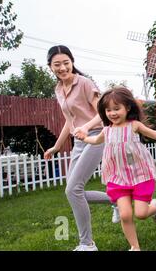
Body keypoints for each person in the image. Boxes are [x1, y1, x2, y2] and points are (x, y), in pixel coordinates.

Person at [81, 86, 156, 251]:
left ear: (127, 107)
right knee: (125, 215)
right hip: (118, 177)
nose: (112, 113)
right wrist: (84, 137)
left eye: (116, 108)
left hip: (140, 175)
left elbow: (154, 134)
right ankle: (135, 247)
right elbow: (96, 140)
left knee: (140, 214)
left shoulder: (134, 125)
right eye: (108, 110)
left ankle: (155, 206)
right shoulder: (107, 130)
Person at [44, 45, 120, 251]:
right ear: (50, 67)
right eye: (57, 64)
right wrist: (56, 147)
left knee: (73, 189)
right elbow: (70, 121)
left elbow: (102, 113)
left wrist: (86, 127)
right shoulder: (59, 90)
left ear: (72, 62)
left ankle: (87, 244)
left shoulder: (84, 83)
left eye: (66, 63)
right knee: (73, 192)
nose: (62, 68)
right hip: (79, 142)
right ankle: (116, 200)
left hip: (97, 136)